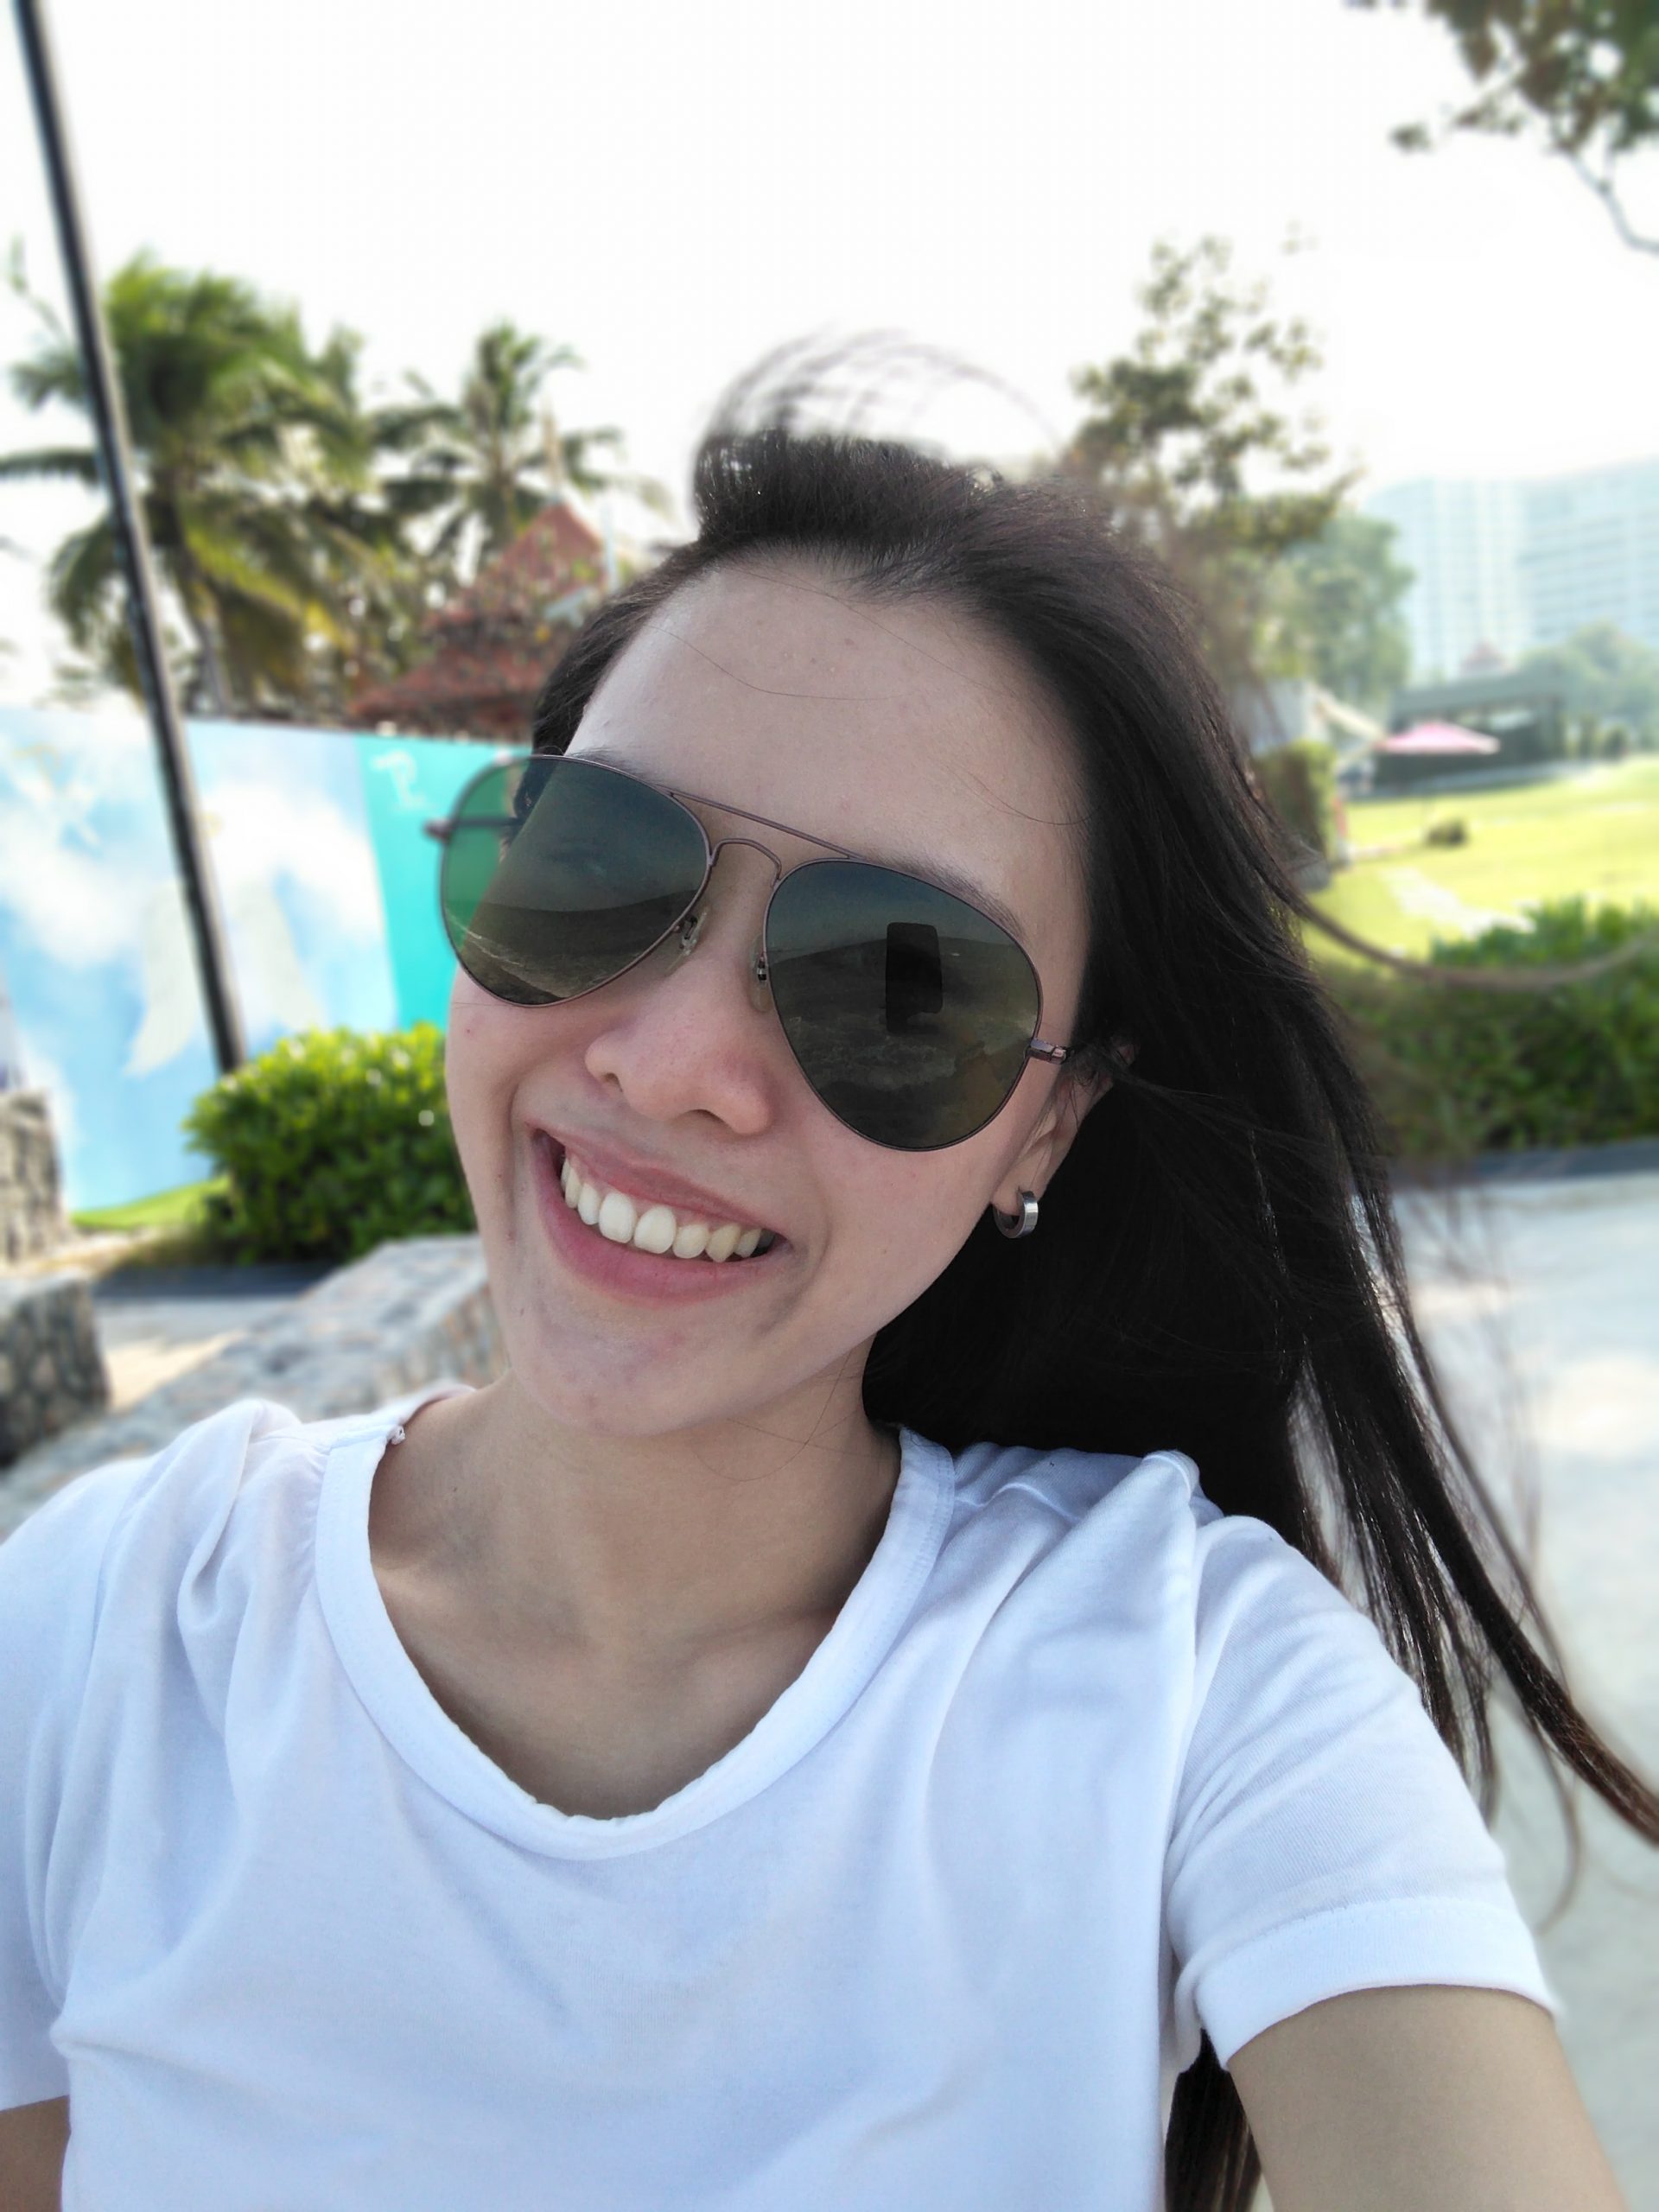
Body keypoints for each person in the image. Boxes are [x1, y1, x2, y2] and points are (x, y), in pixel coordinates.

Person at [1, 425, 1649, 2212]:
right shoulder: (107, 1631)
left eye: (900, 985)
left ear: (1048, 1124)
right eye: (595, 863)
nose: (673, 1064)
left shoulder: (1196, 1688)